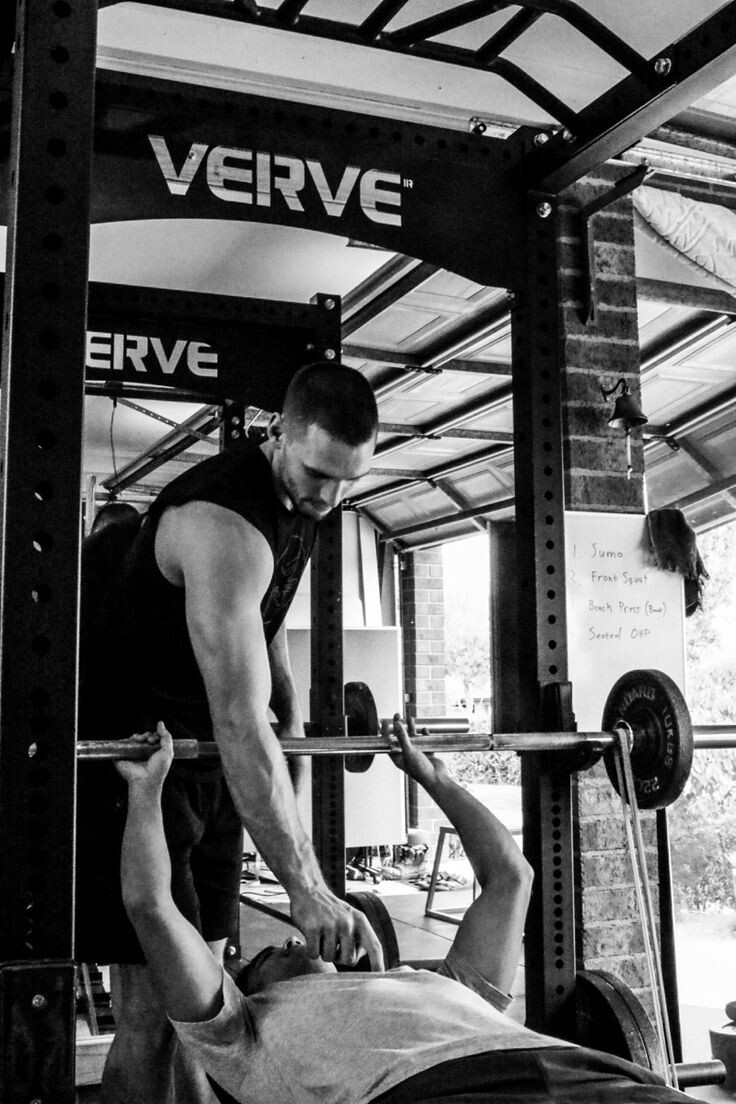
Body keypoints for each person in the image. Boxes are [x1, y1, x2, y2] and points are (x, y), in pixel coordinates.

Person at [114, 717, 703, 1104]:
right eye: (276, 952)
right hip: (435, 1093)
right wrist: (145, 792)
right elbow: (151, 906)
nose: (294, 940)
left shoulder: (442, 985)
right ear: (248, 987)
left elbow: (511, 877)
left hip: (586, 1074)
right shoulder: (235, 1036)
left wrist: (432, 776)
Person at [75, 363, 383, 1103]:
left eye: (348, 481)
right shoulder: (219, 521)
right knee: (154, 1021)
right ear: (277, 433)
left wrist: (293, 717)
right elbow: (239, 720)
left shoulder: (298, 503)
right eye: (318, 474)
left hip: (206, 767)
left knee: (204, 1013)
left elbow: (262, 620)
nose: (329, 498)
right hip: (140, 770)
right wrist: (306, 889)